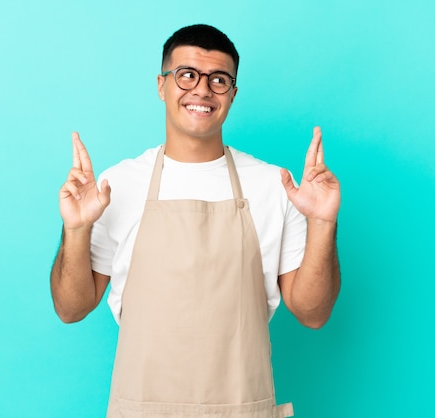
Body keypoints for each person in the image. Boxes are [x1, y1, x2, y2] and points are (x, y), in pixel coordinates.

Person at [50, 24, 340, 418]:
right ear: (161, 85)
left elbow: (313, 313)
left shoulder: (274, 186)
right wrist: (76, 228)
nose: (202, 90)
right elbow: (71, 308)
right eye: (187, 75)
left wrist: (323, 223)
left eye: (218, 80)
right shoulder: (117, 185)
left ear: (232, 95)